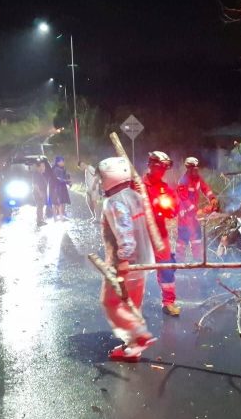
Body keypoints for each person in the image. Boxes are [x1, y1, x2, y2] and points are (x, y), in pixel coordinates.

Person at [97, 156, 157, 361]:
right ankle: (132, 349)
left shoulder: (115, 202)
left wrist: (124, 259)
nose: (100, 182)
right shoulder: (135, 196)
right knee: (132, 305)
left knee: (111, 302)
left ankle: (139, 335)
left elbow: (124, 232)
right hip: (142, 262)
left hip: (124, 264)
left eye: (101, 177)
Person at [143, 151, 181, 316]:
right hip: (140, 234)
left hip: (159, 232)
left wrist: (168, 208)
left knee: (166, 266)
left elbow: (174, 208)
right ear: (151, 166)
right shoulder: (137, 186)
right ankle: (130, 302)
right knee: (133, 269)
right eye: (160, 168)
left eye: (164, 169)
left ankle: (168, 302)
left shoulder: (164, 188)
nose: (162, 172)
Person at [176, 157, 218, 261]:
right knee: (183, 240)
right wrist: (197, 211)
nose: (196, 170)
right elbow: (184, 200)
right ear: (189, 169)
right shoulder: (183, 181)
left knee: (196, 238)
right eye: (194, 169)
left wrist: (212, 198)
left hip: (193, 215)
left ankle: (198, 262)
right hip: (184, 215)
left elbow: (205, 188)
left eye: (197, 168)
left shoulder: (198, 179)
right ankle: (179, 263)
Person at [50, 155, 71, 220]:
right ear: (58, 162)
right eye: (62, 161)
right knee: (60, 202)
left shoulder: (59, 168)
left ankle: (57, 217)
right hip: (58, 187)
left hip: (59, 187)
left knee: (58, 202)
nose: (63, 162)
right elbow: (57, 178)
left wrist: (67, 180)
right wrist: (66, 181)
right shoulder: (57, 169)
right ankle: (60, 217)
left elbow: (64, 176)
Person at [32, 158, 49, 226]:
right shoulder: (36, 174)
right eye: (42, 166)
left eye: (44, 166)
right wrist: (40, 193)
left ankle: (41, 220)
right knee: (40, 206)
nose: (44, 168)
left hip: (42, 192)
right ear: (38, 167)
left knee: (41, 206)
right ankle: (39, 221)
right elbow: (35, 185)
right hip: (38, 192)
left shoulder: (41, 174)